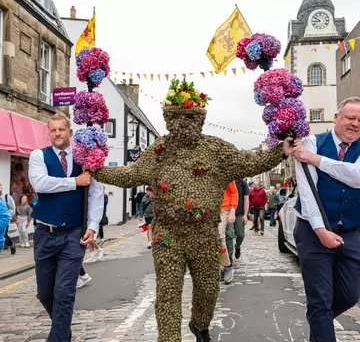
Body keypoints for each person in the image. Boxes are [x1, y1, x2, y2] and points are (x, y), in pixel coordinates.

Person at [94, 79, 294, 342]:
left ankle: (200, 324)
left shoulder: (215, 149)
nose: (184, 122)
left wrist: (279, 151)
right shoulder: (158, 151)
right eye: (177, 117)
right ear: (168, 119)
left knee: (208, 290)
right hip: (168, 236)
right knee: (167, 293)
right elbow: (131, 173)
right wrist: (97, 170)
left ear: (200, 118)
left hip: (204, 235)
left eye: (190, 116)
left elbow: (249, 161)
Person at [29, 113, 103, 342]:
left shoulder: (85, 159)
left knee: (64, 293)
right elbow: (40, 183)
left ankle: (58, 338)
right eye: (53, 130)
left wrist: (92, 226)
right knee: (44, 293)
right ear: (49, 133)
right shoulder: (38, 155)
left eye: (62, 129)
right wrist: (74, 182)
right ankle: (63, 330)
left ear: (70, 133)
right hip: (44, 233)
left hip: (73, 234)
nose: (58, 134)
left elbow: (96, 193)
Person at [293, 97, 360, 342]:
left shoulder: (315, 152)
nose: (355, 124)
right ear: (336, 117)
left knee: (350, 295)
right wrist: (321, 230)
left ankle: (318, 319)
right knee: (319, 298)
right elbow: (308, 192)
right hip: (312, 232)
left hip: (351, 231)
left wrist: (317, 160)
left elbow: (357, 176)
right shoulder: (311, 142)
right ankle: (320, 319)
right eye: (350, 118)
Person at [226, 179, 249, 261]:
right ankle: (229, 257)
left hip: (239, 213)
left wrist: (245, 215)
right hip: (228, 212)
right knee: (228, 234)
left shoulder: (242, 183)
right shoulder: (227, 180)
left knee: (240, 234)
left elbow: (246, 198)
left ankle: (237, 246)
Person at [219, 181, 238, 284]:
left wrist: (232, 211)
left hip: (224, 209)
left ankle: (227, 265)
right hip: (209, 210)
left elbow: (234, 191)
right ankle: (220, 266)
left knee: (219, 238)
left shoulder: (225, 171)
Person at [0, 184, 16, 254]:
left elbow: (12, 209)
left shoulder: (6, 197)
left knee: (4, 235)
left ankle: (11, 244)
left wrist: (9, 217)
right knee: (4, 236)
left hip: (4, 221)